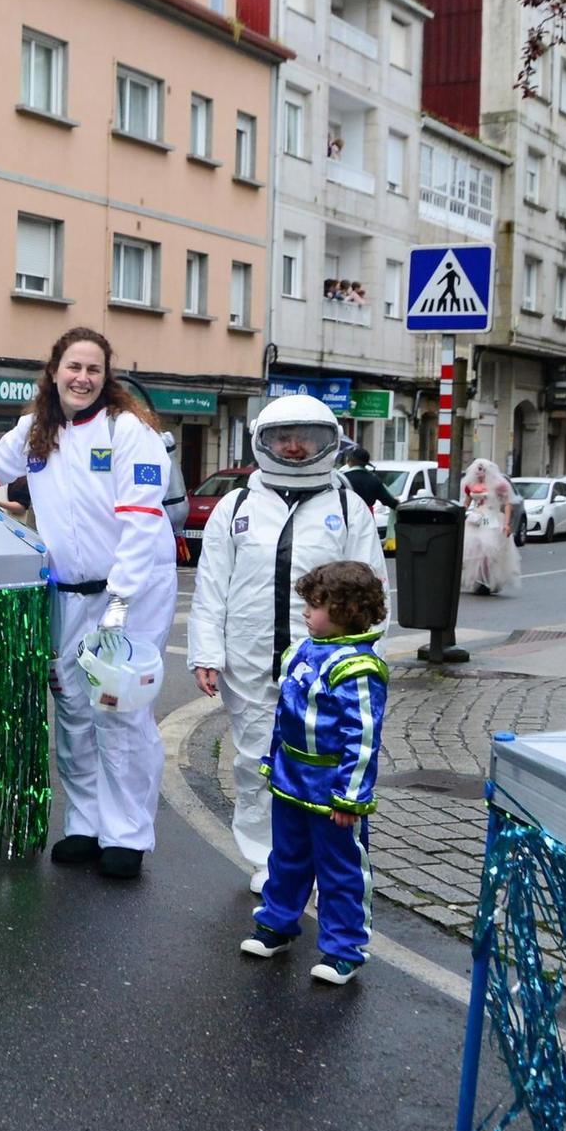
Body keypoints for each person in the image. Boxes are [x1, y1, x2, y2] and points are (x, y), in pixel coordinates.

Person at [0, 326, 177, 879]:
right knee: (75, 713)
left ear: (106, 380)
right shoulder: (38, 429)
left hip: (126, 596)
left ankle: (126, 833)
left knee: (120, 712)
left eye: (94, 370)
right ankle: (83, 823)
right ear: (54, 371)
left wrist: (121, 601)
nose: (82, 378)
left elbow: (142, 521)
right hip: (65, 593)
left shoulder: (129, 431)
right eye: (73, 367)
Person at [187, 395, 387, 895]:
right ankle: (268, 860)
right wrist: (207, 652)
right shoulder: (236, 506)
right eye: (283, 438)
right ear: (265, 442)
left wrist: (363, 659)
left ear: (328, 443)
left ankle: (324, 860)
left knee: (322, 764)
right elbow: (211, 585)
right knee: (255, 761)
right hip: (249, 657)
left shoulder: (347, 507)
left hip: (325, 666)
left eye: (306, 438)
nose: (294, 448)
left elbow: (371, 589)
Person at [239, 561, 389, 987]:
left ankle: (345, 948)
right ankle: (277, 923)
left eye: (317, 606)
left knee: (341, 870)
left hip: (331, 791)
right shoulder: (302, 652)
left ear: (347, 611)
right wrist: (273, 762)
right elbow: (285, 715)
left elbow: (362, 738)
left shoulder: (358, 668)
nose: (306, 613)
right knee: (285, 859)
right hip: (291, 780)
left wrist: (351, 797)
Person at [459, 458, 521, 595]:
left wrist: (506, 523)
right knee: (472, 548)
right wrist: (459, 513)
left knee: (489, 549)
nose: (478, 472)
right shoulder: (470, 486)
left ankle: (488, 578)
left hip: (491, 518)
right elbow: (466, 503)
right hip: (476, 518)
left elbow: (507, 504)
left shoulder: (499, 486)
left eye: (481, 469)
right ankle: (477, 579)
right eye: (477, 469)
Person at [338, 443, 399, 514]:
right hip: (367, 517)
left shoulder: (342, 478)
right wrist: (398, 505)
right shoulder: (374, 480)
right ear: (366, 464)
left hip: (345, 517)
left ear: (350, 461)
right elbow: (389, 501)